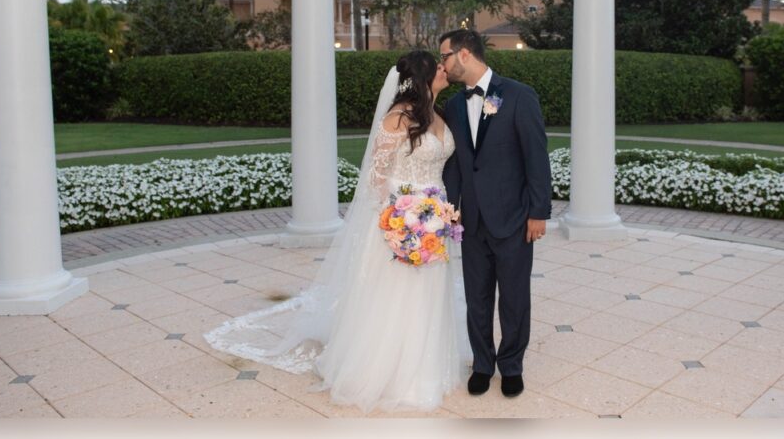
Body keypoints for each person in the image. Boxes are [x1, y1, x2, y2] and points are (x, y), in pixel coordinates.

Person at [205, 51, 469, 413]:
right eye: (437, 66)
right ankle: (388, 374)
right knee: (399, 298)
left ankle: (428, 368)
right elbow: (377, 179)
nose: (444, 69)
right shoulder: (397, 119)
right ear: (422, 78)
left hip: (436, 221)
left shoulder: (438, 114)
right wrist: (400, 220)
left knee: (430, 293)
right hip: (402, 222)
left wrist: (438, 214)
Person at [439, 29, 552, 399]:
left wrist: (539, 212)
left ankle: (512, 366)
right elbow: (456, 164)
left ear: (465, 53)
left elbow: (536, 158)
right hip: (470, 221)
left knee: (515, 297)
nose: (443, 64)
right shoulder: (454, 106)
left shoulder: (519, 95)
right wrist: (451, 208)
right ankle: (483, 365)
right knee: (477, 297)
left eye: (446, 57)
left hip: (514, 218)